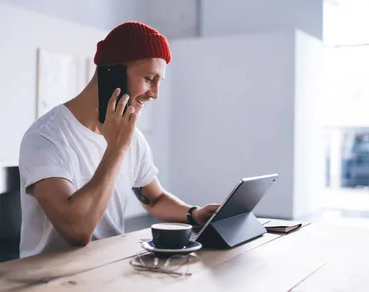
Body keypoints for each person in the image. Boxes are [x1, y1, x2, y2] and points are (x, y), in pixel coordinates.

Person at [17, 21, 221, 258]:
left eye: (159, 82)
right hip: (49, 278)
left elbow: (154, 199)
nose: (155, 94)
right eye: (149, 79)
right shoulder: (45, 137)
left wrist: (194, 214)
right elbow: (77, 230)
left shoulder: (131, 136)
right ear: (111, 74)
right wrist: (116, 149)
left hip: (109, 268)